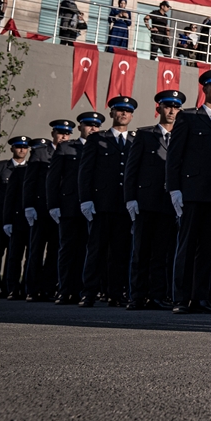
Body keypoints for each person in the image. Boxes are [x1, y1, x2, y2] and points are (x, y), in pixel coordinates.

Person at [167, 69, 211, 314]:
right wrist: (174, 189)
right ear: (205, 89)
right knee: (187, 245)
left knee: (209, 248)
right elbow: (174, 158)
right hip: (192, 191)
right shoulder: (189, 117)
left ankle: (201, 297)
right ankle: (182, 299)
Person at [124, 90, 183, 310]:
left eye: (176, 107)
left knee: (162, 252)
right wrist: (130, 198)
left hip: (168, 203)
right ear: (158, 109)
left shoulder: (181, 136)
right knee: (141, 251)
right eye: (168, 106)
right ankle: (137, 295)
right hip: (145, 201)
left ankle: (158, 295)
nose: (172, 111)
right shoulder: (145, 135)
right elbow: (132, 170)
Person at [77, 96, 137, 307]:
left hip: (123, 205)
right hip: (101, 204)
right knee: (96, 250)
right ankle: (89, 292)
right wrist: (86, 200)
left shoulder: (134, 140)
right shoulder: (97, 139)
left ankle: (115, 293)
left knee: (120, 252)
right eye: (119, 110)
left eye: (127, 111)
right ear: (112, 113)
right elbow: (86, 172)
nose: (123, 114)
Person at [47, 112, 103, 304]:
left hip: (94, 206)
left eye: (96, 126)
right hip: (70, 206)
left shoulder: (102, 146)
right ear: (80, 127)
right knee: (68, 249)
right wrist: (53, 204)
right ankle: (65, 290)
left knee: (89, 250)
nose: (93, 129)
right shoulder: (66, 147)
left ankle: (84, 289)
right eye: (89, 125)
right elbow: (53, 179)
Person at [22, 121, 73, 301]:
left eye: (67, 134)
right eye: (60, 133)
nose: (64, 137)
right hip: (41, 209)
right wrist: (28, 206)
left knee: (54, 251)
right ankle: (32, 289)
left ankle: (49, 288)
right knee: (36, 250)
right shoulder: (41, 153)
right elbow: (30, 181)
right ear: (53, 134)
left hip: (61, 209)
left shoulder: (70, 151)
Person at [0, 137, 29, 298]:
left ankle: (9, 287)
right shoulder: (2, 166)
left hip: (19, 219)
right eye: (18, 147)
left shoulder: (30, 168)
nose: (22, 150)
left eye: (24, 147)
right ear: (12, 149)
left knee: (13, 254)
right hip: (0, 217)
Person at [2, 138, 48, 299]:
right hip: (20, 220)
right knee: (15, 255)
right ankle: (13, 287)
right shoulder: (20, 171)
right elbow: (10, 198)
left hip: (39, 218)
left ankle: (30, 286)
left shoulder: (45, 169)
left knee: (32, 254)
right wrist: (7, 220)